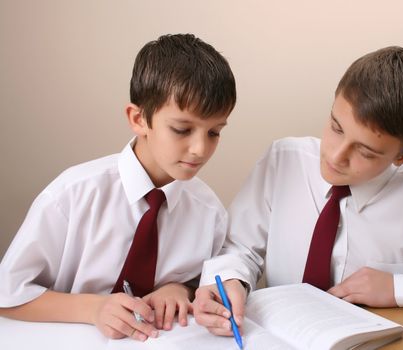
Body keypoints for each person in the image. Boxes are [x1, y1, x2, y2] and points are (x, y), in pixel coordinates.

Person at [193, 46, 403, 337]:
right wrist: (230, 280)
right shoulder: (284, 161)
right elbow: (240, 246)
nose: (335, 156)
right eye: (336, 127)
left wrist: (400, 288)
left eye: (365, 152)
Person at [0, 34, 236, 341]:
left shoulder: (210, 213)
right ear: (139, 119)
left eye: (215, 133)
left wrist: (179, 289)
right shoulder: (72, 195)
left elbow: (202, 280)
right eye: (182, 129)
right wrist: (93, 309)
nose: (199, 149)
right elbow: (7, 293)